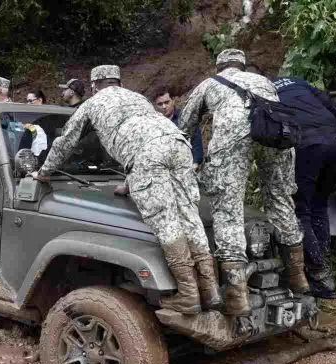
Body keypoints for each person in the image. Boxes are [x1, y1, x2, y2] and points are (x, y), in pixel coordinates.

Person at [32, 65, 220, 314]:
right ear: (119, 82)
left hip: (148, 155)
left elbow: (66, 141)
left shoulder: (93, 103)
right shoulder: (137, 98)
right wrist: (129, 183)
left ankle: (188, 295)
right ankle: (211, 290)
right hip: (178, 143)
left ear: (93, 85)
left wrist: (44, 172)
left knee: (165, 221)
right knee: (189, 214)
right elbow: (145, 136)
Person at [179, 49, 309, 316]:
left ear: (219, 67)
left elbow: (185, 125)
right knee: (280, 200)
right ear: (243, 65)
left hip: (232, 137)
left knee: (228, 208)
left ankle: (238, 297)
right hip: (274, 133)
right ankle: (298, 276)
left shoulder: (210, 84)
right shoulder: (264, 81)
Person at [273, 76, 336, 299]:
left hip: (307, 144)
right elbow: (330, 106)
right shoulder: (298, 82)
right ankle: (323, 268)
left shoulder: (265, 90)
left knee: (301, 210)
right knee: (319, 205)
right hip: (334, 140)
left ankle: (318, 275)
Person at [153, 87, 204, 166]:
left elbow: (196, 141)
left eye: (166, 102)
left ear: (173, 100)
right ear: (155, 105)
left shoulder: (186, 117)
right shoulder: (153, 123)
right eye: (160, 104)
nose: (164, 106)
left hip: (188, 164)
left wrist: (196, 163)